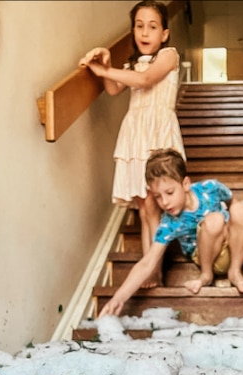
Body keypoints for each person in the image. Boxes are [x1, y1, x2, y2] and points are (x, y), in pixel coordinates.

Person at [79, 0, 186, 288]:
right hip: (136, 132)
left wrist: (104, 71)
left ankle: (156, 268)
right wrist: (107, 66)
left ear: (164, 33)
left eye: (152, 26)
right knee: (144, 208)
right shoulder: (132, 64)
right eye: (139, 26)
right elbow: (114, 89)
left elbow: (147, 79)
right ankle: (150, 269)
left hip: (158, 133)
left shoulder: (169, 55)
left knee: (156, 201)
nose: (145, 32)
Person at [98, 149, 243, 318]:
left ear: (185, 184)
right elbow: (147, 262)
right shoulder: (169, 223)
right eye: (158, 196)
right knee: (214, 220)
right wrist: (119, 298)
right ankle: (206, 275)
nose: (164, 202)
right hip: (209, 256)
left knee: (241, 209)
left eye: (170, 193)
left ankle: (235, 272)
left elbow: (233, 202)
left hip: (237, 248)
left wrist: (235, 230)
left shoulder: (211, 188)